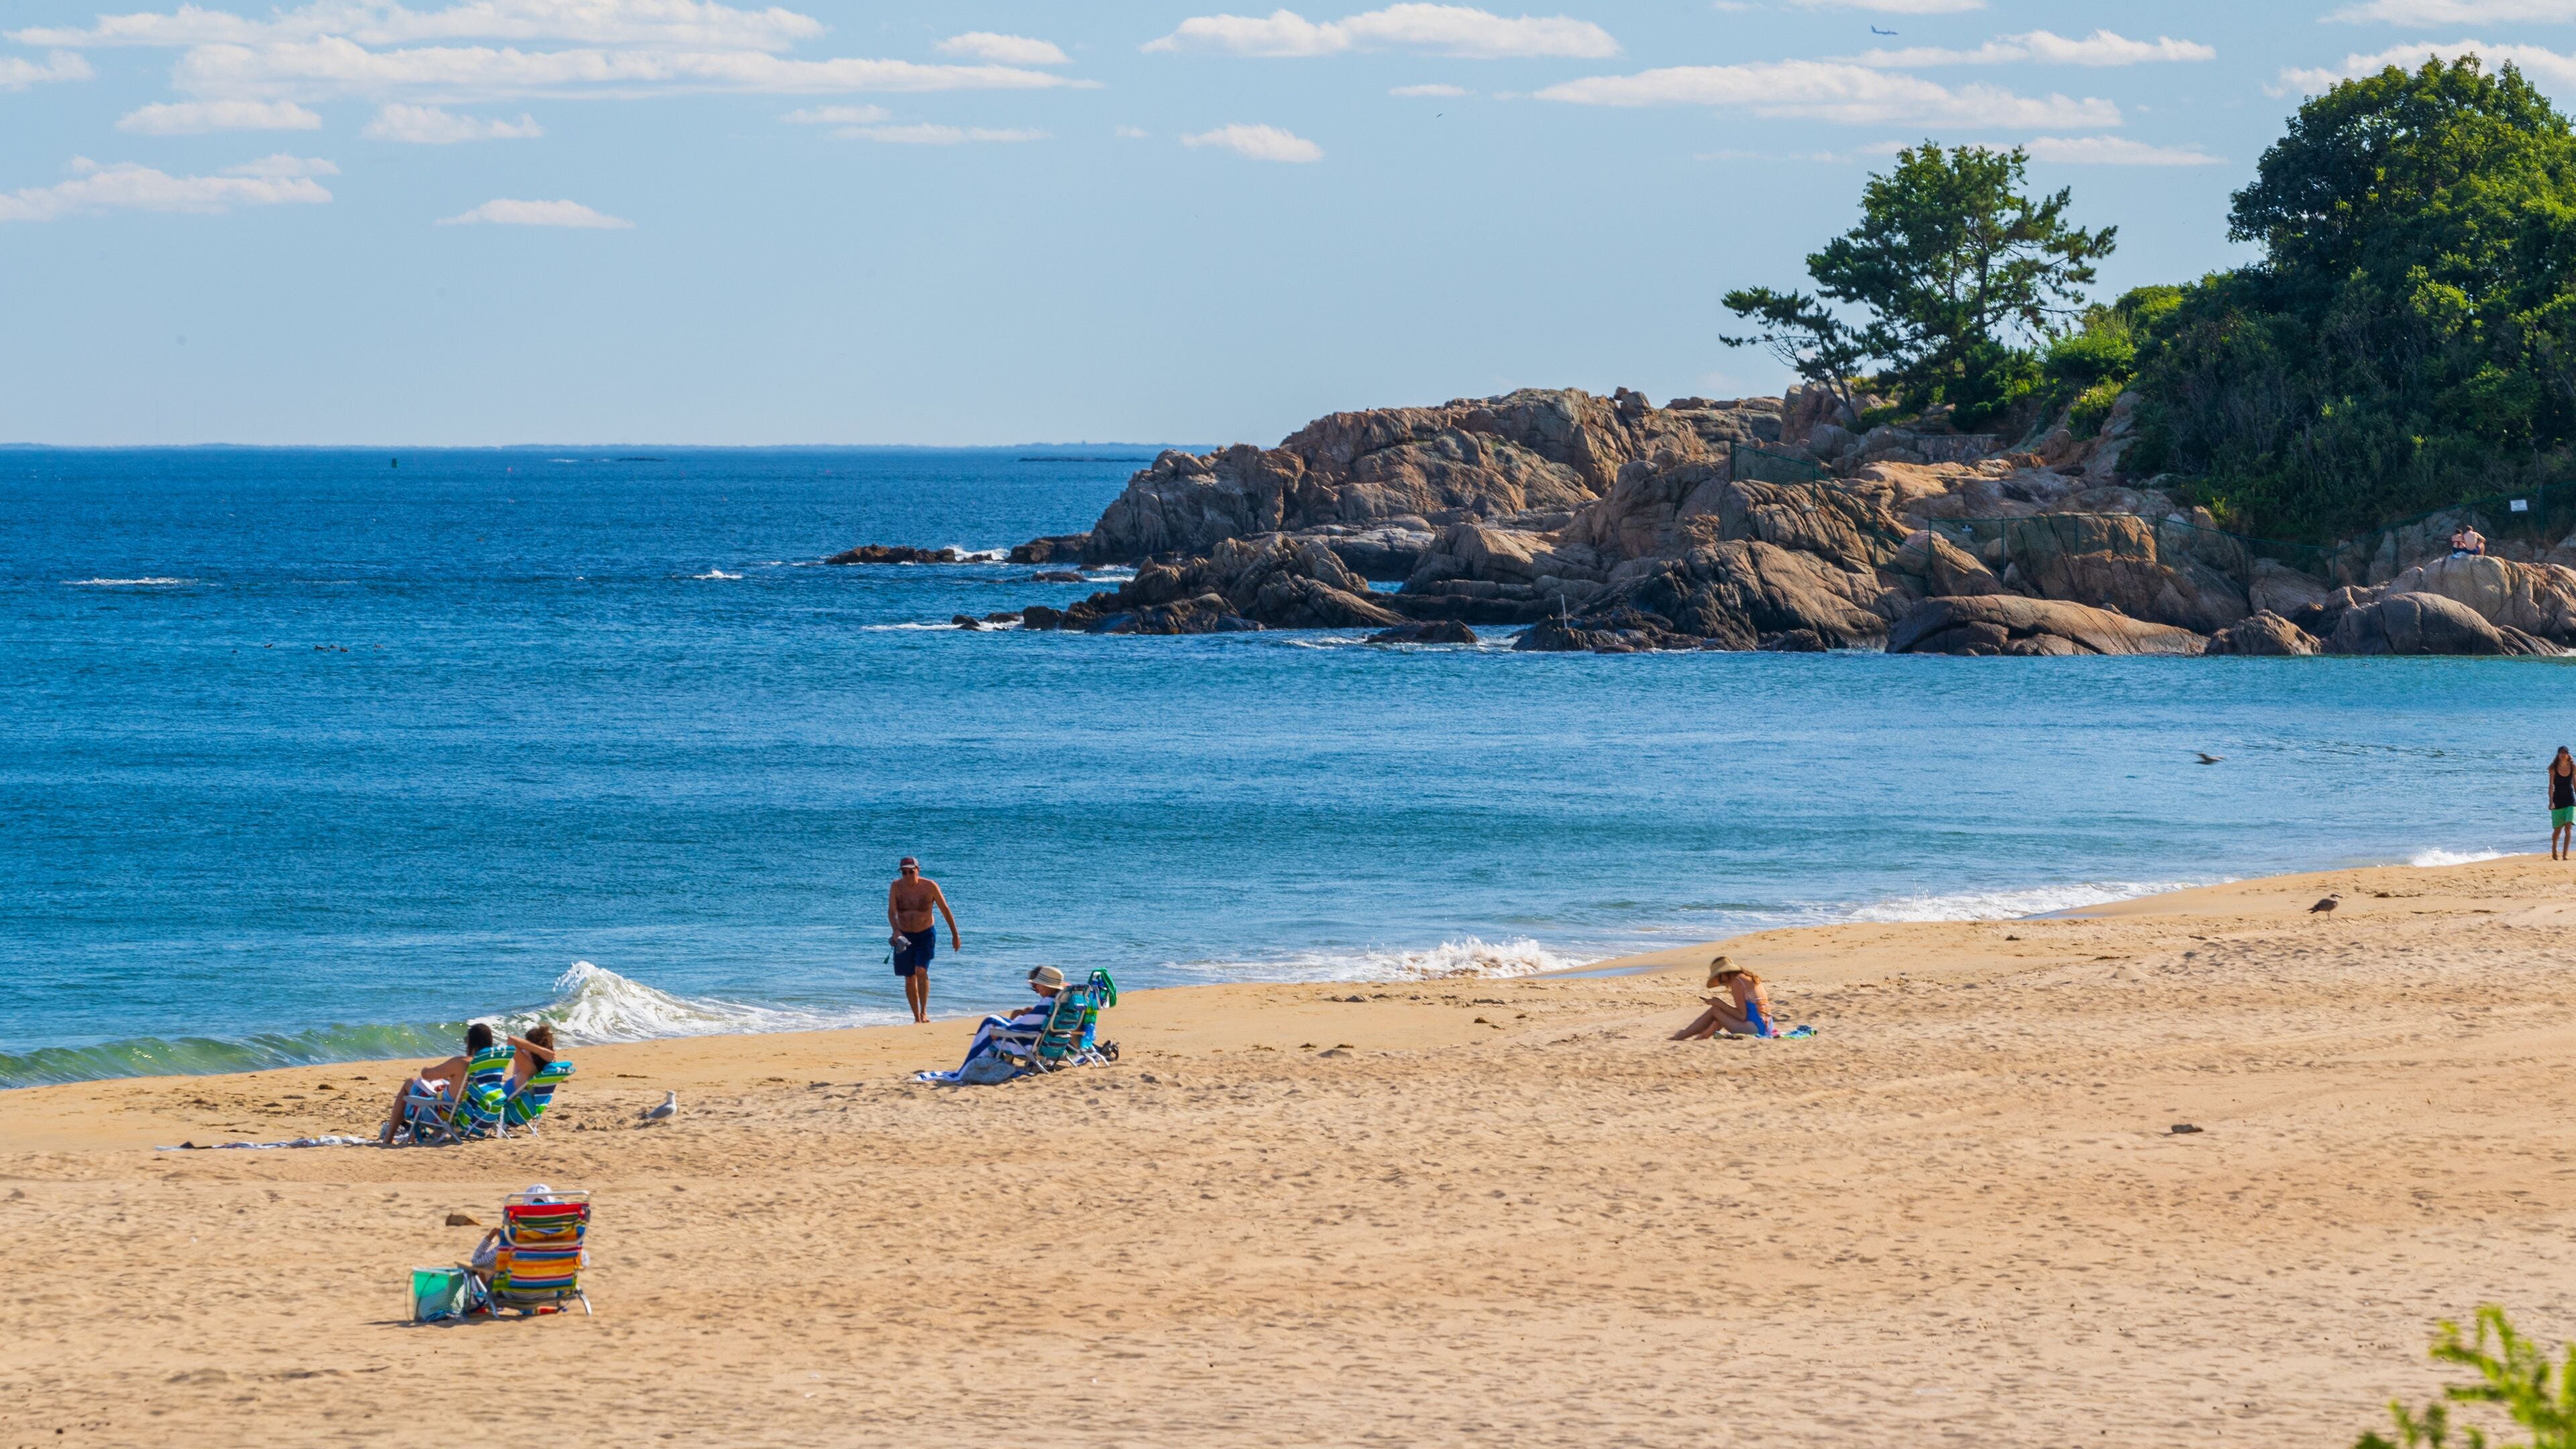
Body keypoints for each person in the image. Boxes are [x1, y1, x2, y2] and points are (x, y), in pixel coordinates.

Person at [380, 1022, 494, 1142]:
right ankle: (413, 1135)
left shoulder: (462, 1063)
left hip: (445, 1116)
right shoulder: (491, 1064)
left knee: (410, 1083)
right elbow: (469, 1087)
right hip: (471, 1115)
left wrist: (427, 1068)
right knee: (437, 1083)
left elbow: (426, 1074)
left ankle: (388, 1138)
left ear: (471, 1042)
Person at [887, 855, 961, 1024]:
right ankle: (916, 1017)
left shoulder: (930, 887)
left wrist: (955, 935)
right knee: (909, 976)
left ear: (918, 870)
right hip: (904, 936)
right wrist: (896, 931)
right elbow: (892, 912)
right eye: (904, 873)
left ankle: (924, 1011)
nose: (907, 876)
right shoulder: (896, 887)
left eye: (911, 871)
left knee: (921, 970)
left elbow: (945, 910)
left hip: (925, 934)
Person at [1672, 957, 1779, 1040]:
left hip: (1757, 1029)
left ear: (1725, 973)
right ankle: (1702, 1036)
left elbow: (1742, 1016)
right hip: (1766, 1027)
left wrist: (1719, 1003)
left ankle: (1682, 1036)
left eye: (1719, 978)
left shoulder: (1738, 982)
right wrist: (1720, 1005)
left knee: (1715, 1011)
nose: (1720, 982)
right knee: (1721, 1013)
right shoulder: (1746, 978)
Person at [504, 1022, 558, 1091]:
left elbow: (511, 1040)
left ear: (531, 1049)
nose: (522, 1051)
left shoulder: (530, 1071)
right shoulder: (550, 1062)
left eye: (525, 1047)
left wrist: (540, 1051)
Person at [2552, 747, 2575, 860]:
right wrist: (2551, 801)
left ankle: (2565, 854)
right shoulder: (2553, 768)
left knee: (2568, 828)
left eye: (2565, 753)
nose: (2563, 755)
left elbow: (2575, 784)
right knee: (2558, 830)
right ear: (2558, 755)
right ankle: (2554, 849)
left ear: (2568, 755)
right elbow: (2551, 786)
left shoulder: (2573, 767)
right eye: (2561, 753)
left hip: (2570, 800)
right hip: (2558, 801)